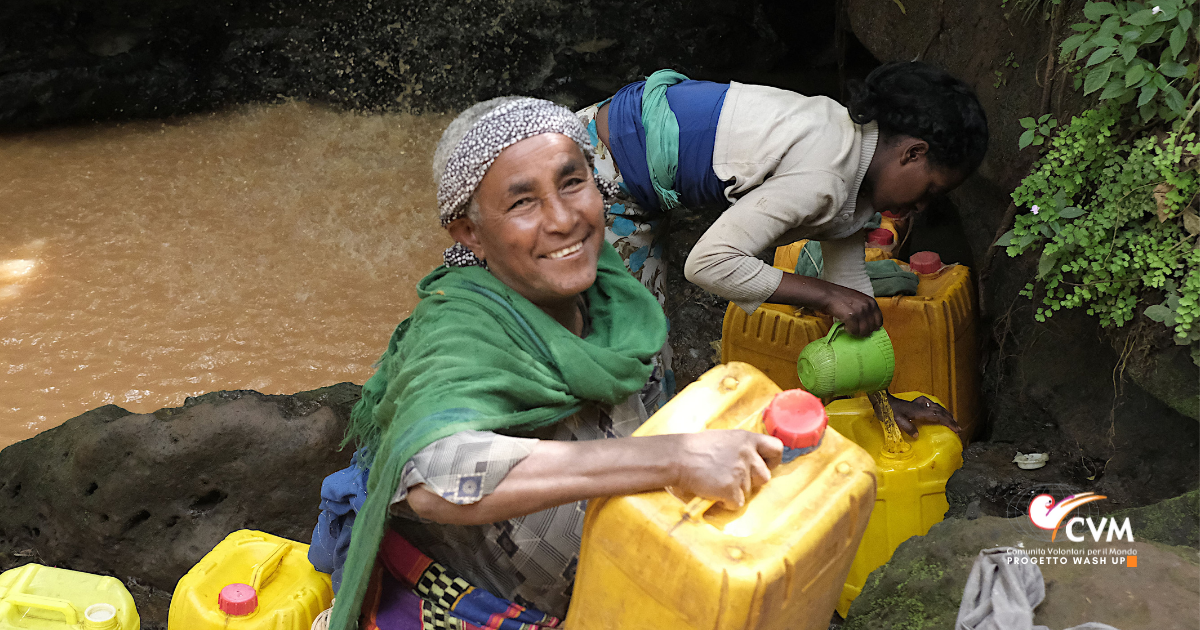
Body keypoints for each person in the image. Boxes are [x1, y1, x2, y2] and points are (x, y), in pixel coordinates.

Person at [312, 97, 784, 630]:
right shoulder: (456, 332)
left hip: (610, 587)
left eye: (572, 183)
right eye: (522, 204)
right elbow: (430, 475)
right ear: (469, 233)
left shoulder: (614, 296)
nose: (563, 220)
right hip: (472, 610)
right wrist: (674, 458)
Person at [576, 61, 988, 437]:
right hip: (597, 168)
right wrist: (826, 295)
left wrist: (882, 402)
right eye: (930, 190)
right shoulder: (824, 174)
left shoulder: (856, 166)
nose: (920, 207)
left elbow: (851, 293)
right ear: (913, 152)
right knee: (631, 354)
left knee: (642, 346)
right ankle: (614, 480)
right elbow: (708, 264)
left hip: (638, 168)